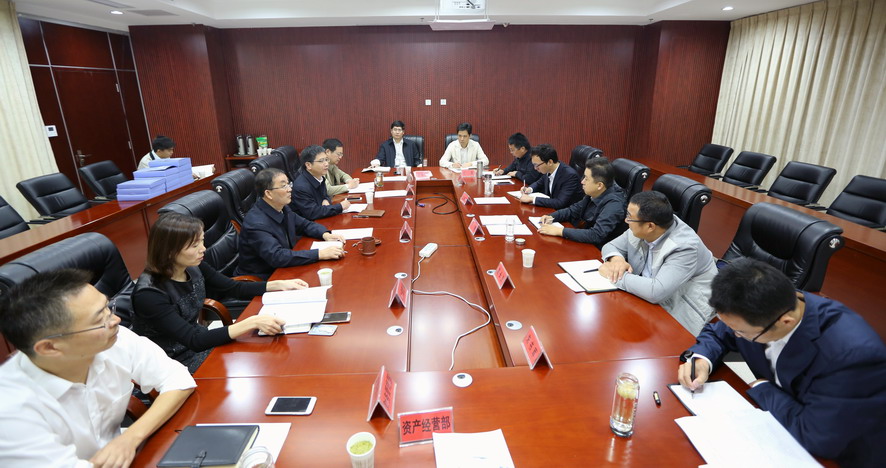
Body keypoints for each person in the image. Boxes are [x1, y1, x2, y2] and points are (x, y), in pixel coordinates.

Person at [678, 258, 886, 467]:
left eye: (741, 332)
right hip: (778, 428)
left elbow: (818, 436)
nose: (736, 335)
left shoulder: (852, 356)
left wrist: (762, 388)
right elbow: (718, 332)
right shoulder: (761, 306)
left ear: (786, 322)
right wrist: (701, 360)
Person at [0, 269, 196, 467]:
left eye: (107, 308)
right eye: (98, 319)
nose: (115, 320)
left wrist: (130, 438)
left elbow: (177, 378)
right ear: (49, 348)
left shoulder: (112, 339)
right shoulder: (11, 412)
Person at [132, 212, 309, 373]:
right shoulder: (149, 294)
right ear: (169, 251)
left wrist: (278, 284)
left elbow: (232, 287)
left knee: (268, 355)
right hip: (171, 362)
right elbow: (194, 340)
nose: (203, 248)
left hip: (200, 343)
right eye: (194, 245)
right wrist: (253, 322)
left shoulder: (192, 265)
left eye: (202, 241)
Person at [599, 191, 717, 334]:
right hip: (647, 295)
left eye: (630, 217)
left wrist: (613, 275)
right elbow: (610, 246)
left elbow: (656, 292)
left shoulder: (685, 246)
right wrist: (616, 260)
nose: (626, 220)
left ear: (650, 226)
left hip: (682, 306)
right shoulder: (643, 226)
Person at [237, 168, 346, 279]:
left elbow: (304, 225)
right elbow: (277, 256)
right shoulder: (256, 223)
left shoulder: (282, 207)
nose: (290, 189)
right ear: (268, 194)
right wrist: (320, 254)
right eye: (284, 186)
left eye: (289, 184)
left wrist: (325, 234)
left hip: (284, 268)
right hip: (264, 278)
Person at [538, 157, 627, 247]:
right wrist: (552, 216)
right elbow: (572, 211)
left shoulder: (614, 205)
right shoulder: (594, 193)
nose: (582, 181)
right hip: (586, 243)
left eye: (586, 179)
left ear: (599, 185)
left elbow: (596, 235)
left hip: (599, 251)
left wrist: (560, 231)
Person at [291, 145, 351, 220]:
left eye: (326, 159)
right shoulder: (301, 187)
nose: (326, 164)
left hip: (321, 219)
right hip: (308, 224)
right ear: (308, 165)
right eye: (321, 161)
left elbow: (325, 196)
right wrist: (340, 207)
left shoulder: (319, 177)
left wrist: (325, 200)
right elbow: (313, 213)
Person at [518, 144, 583, 209]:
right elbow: (539, 183)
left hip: (566, 212)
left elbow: (559, 203)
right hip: (552, 209)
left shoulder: (570, 176)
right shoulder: (549, 170)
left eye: (537, 165)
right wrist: (529, 189)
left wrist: (532, 199)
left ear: (550, 162)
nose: (535, 168)